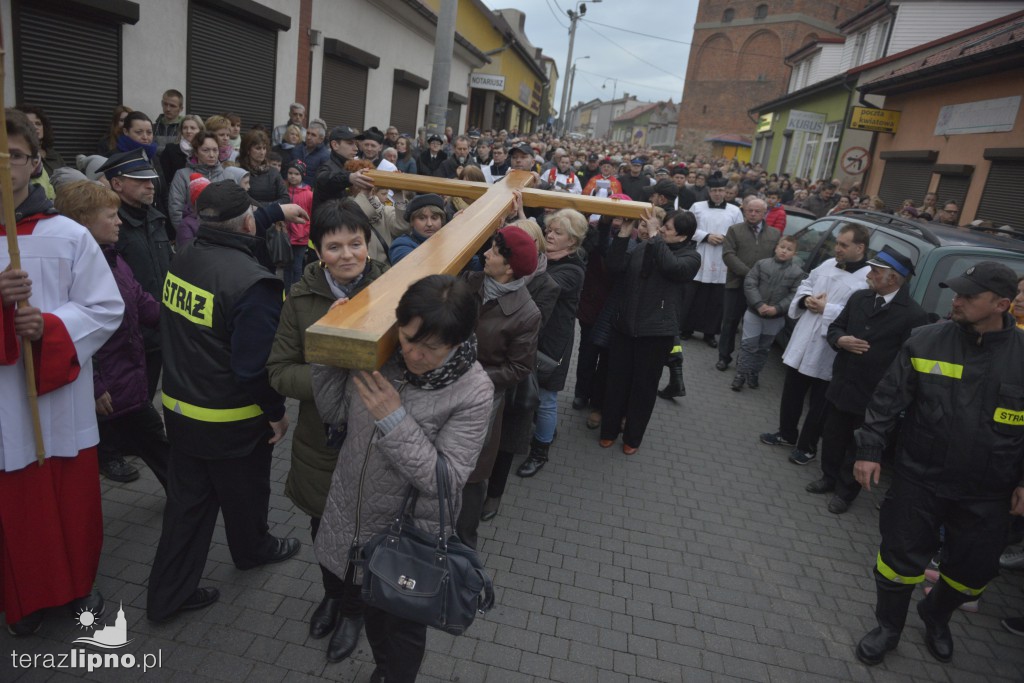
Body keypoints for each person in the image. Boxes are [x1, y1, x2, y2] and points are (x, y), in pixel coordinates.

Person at [311, 275, 494, 681]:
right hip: (353, 516)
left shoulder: (474, 391)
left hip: (407, 541)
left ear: (459, 340)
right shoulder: (384, 355)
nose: (413, 353)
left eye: (430, 348)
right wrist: (329, 347)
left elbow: (446, 481)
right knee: (363, 606)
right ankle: (352, 625)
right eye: (408, 338)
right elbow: (334, 412)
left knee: (397, 635)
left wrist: (394, 420)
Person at [851, 261, 1024, 666]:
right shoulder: (925, 340)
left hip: (989, 492)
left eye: (968, 295)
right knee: (898, 562)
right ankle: (888, 627)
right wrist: (869, 450)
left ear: (1001, 304)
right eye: (956, 291)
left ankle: (936, 614)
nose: (956, 300)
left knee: (972, 573)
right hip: (920, 478)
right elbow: (887, 399)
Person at [147, 181, 301, 623]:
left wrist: (274, 211)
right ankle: (253, 550)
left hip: (180, 411)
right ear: (247, 222)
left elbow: (233, 228)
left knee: (187, 507)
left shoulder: (188, 254)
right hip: (231, 420)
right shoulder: (256, 285)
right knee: (247, 491)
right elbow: (254, 369)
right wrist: (274, 414)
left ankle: (167, 596)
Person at [0, 109, 123, 635]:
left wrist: (45, 328)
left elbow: (105, 308)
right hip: (6, 406)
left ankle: (75, 587)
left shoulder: (67, 236)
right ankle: (24, 599)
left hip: (62, 401)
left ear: (34, 161)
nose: (5, 166)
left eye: (13, 155)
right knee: (19, 511)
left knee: (69, 504)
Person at [268, 199, 388, 661]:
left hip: (376, 437)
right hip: (321, 437)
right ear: (319, 250)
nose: (347, 254)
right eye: (334, 246)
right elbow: (279, 370)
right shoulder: (300, 300)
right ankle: (332, 594)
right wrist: (330, 373)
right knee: (324, 526)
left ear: (367, 242)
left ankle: (356, 609)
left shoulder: (396, 289)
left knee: (367, 530)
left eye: (355, 243)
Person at [54, 180, 170, 488]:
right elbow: (75, 333)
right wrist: (94, 385)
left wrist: (176, 325)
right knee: (151, 439)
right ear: (83, 220)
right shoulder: (68, 268)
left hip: (124, 375)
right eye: (111, 216)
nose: (119, 222)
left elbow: (139, 299)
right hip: (106, 383)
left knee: (152, 440)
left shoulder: (111, 256)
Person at [805, 246, 929, 514]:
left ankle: (846, 492)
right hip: (843, 383)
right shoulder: (860, 298)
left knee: (858, 443)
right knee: (834, 434)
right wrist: (840, 339)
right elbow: (837, 326)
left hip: (874, 394)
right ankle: (828, 477)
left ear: (893, 278)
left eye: (875, 271)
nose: (869, 274)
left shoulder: (913, 315)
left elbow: (906, 362)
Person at [456, 226, 542, 549]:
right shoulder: (470, 282)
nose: (486, 254)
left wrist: (469, 373)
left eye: (493, 251)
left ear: (509, 267)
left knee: (471, 472)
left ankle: (464, 554)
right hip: (444, 389)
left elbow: (519, 368)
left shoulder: (526, 313)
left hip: (482, 401)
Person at [761, 224, 871, 465]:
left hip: (829, 347)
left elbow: (861, 315)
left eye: (843, 245)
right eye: (837, 243)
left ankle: (808, 446)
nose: (837, 249)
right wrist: (806, 299)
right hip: (805, 337)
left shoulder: (867, 279)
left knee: (820, 402)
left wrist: (827, 309)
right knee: (792, 391)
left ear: (860, 248)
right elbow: (806, 283)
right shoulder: (828, 264)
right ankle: (787, 433)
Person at [599, 210, 701, 454]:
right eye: (662, 226)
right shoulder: (646, 246)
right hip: (624, 327)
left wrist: (654, 235)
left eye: (668, 229)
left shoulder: (691, 257)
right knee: (616, 383)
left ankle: (632, 438)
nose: (662, 230)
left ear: (683, 236)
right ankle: (608, 430)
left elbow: (671, 267)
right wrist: (624, 234)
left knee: (643, 389)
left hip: (656, 334)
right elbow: (615, 266)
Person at [517, 210, 587, 478]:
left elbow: (541, 285)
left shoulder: (571, 269)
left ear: (572, 241)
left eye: (558, 233)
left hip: (552, 342)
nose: (550, 235)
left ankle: (540, 451)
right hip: (535, 336)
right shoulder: (547, 258)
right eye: (549, 230)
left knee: (546, 398)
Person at [99, 149, 172, 403]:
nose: (150, 186)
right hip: (129, 340)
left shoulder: (155, 218)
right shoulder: (109, 227)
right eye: (140, 181)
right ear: (117, 184)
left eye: (151, 180)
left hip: (160, 331)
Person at [731, 236, 803, 391]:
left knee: (763, 348)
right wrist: (758, 304)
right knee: (749, 345)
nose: (784, 251)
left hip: (775, 318)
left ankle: (754, 373)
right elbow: (750, 283)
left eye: (789, 249)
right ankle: (740, 375)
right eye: (782, 247)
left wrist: (777, 309)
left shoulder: (797, 273)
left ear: (795, 253)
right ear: (776, 248)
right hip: (754, 313)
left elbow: (795, 294)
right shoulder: (762, 264)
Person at [681, 172, 743, 347]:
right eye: (714, 190)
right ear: (709, 191)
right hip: (701, 254)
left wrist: (725, 238)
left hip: (722, 258)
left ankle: (710, 333)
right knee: (694, 295)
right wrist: (706, 236)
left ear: (726, 192)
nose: (717, 193)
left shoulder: (735, 210)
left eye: (721, 190)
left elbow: (739, 233)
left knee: (715, 299)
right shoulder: (697, 206)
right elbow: (687, 228)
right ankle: (686, 328)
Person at [717, 197, 779, 371]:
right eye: (749, 210)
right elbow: (728, 255)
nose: (752, 214)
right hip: (736, 284)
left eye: (757, 211)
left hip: (761, 289)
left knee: (753, 326)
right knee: (729, 322)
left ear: (764, 213)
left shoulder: (774, 234)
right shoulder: (734, 230)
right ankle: (724, 357)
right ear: (744, 211)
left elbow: (777, 259)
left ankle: (745, 361)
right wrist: (750, 274)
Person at [168, 131, 227, 231]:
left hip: (220, 236)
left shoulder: (227, 175)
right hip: (191, 236)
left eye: (215, 150)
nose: (212, 155)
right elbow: (176, 209)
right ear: (196, 152)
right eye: (205, 150)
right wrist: (186, 234)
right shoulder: (182, 175)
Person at [313, 124, 375, 212]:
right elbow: (324, 179)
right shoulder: (327, 167)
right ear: (335, 145)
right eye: (350, 143)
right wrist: (349, 177)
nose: (356, 148)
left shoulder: (347, 167)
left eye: (356, 144)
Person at [389, 194, 446, 264]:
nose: (429, 224)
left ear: (442, 220)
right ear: (412, 222)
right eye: (422, 218)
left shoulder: (447, 237)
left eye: (434, 218)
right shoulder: (401, 245)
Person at [283, 159, 314, 291]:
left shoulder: (309, 194)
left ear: (302, 175)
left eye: (296, 174)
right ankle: (286, 292)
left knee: (296, 266)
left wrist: (306, 231)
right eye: (290, 173)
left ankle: (295, 291)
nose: (292, 176)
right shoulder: (284, 191)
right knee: (286, 266)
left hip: (301, 236)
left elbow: (311, 214)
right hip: (285, 235)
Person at [239, 129, 288, 206]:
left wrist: (266, 207)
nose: (262, 152)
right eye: (258, 148)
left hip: (273, 215)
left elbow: (286, 199)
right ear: (248, 150)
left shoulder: (273, 172)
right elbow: (242, 199)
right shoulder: (240, 172)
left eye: (264, 148)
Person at [160, 114, 204, 189]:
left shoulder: (205, 150)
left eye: (193, 128)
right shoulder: (170, 149)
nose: (188, 131)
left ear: (200, 130)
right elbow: (164, 178)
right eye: (185, 128)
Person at [153, 89, 184, 155]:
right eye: (165, 104)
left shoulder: (185, 129)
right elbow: (148, 149)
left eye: (172, 106)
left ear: (181, 109)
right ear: (162, 103)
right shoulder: (152, 127)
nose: (168, 109)